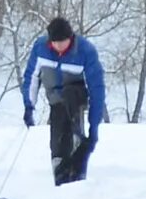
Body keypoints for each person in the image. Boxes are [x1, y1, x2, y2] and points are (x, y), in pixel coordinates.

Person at [19, 17, 106, 185]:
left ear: (70, 38)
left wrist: (94, 125)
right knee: (58, 140)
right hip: (55, 101)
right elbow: (31, 78)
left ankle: (77, 161)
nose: (59, 46)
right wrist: (29, 106)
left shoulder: (85, 51)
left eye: (63, 42)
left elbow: (97, 89)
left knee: (70, 99)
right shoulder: (41, 48)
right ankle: (60, 173)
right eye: (55, 42)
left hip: (76, 98)